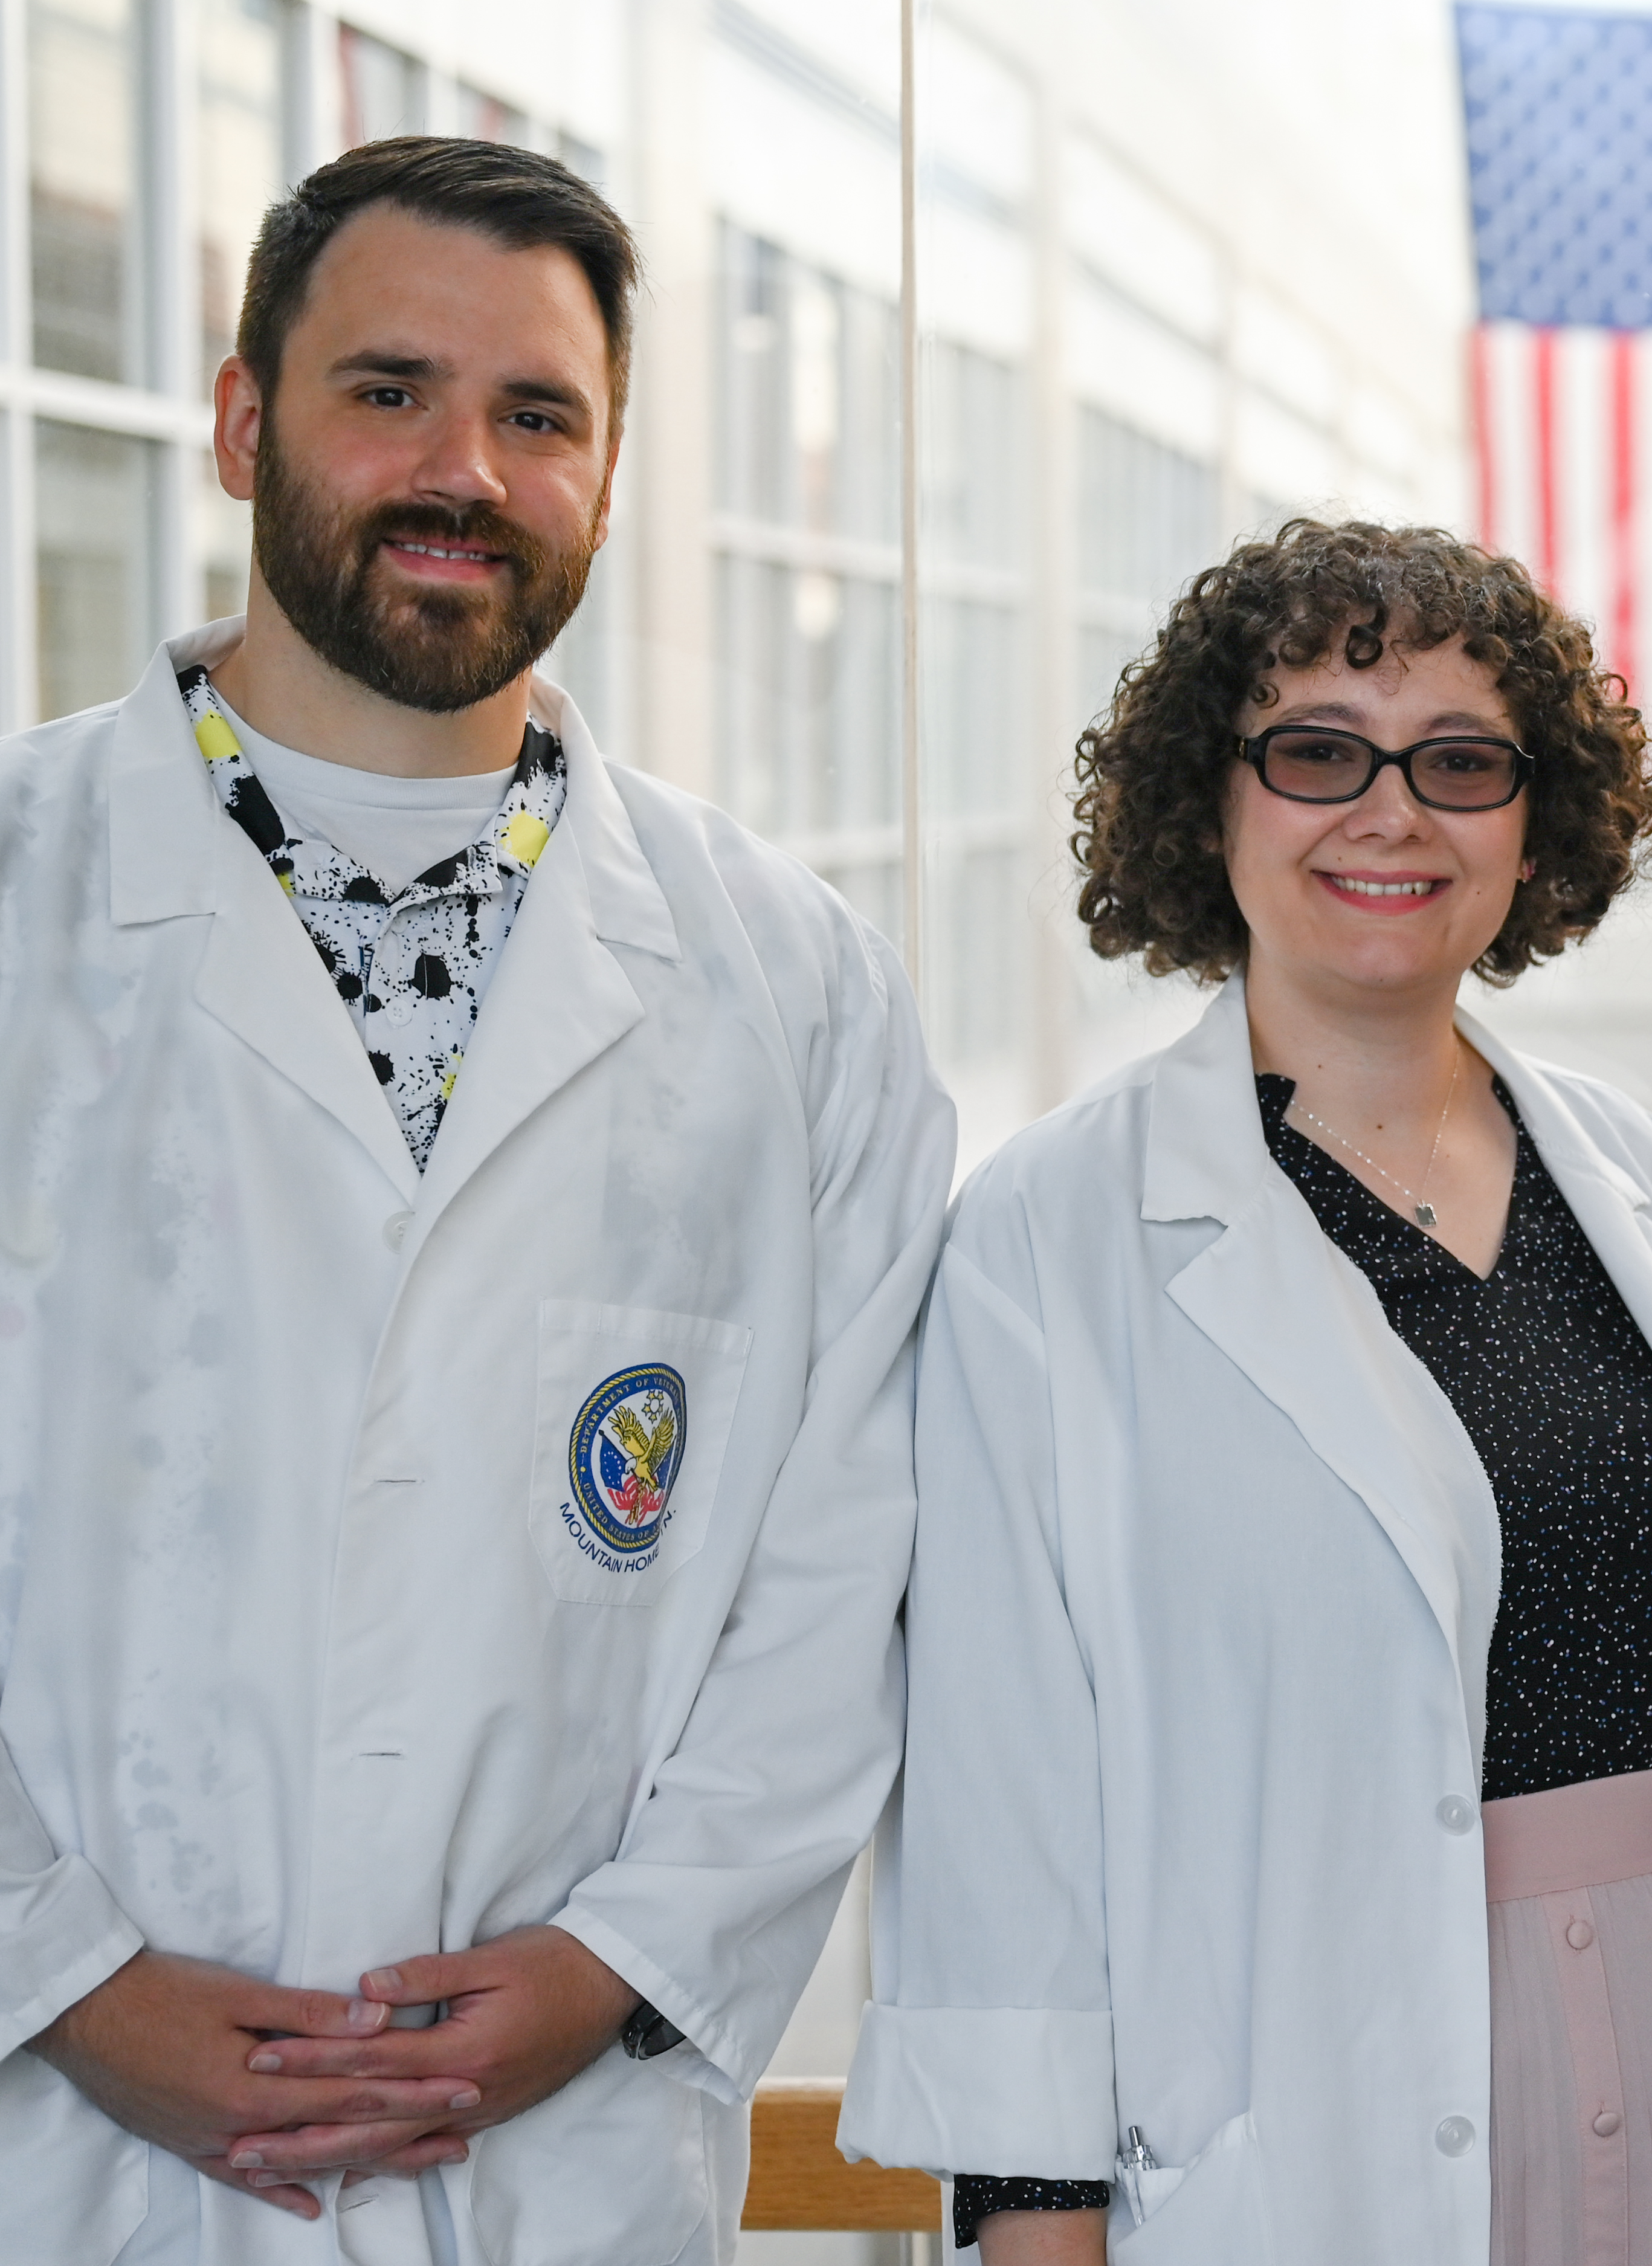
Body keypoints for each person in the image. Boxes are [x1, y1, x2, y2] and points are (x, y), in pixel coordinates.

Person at [0, 137, 950, 2263]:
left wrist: (619, 1964)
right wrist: (56, 1979)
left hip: (554, 2173)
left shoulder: (793, 992)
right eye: (388, 390)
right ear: (245, 418)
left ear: (609, 472)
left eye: (539, 416)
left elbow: (841, 1572)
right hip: (54, 2170)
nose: (465, 468)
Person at [842, 519, 1652, 2264]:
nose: (1393, 812)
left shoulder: (1639, 1173)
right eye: (1319, 751)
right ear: (1209, 801)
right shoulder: (1049, 1237)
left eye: (1462, 763)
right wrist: (1036, 2230)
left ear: (1536, 822)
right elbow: (1004, 1839)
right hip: (1312, 2114)